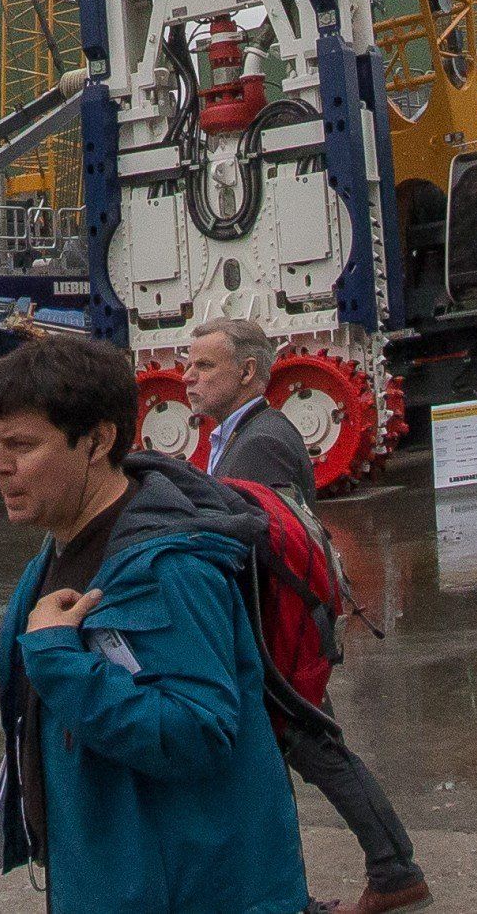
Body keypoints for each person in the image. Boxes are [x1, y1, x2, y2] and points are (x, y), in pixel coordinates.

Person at [0, 330, 310, 914]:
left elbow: (198, 731)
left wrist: (58, 660)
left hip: (190, 891)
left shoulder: (171, 569)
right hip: (112, 875)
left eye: (21, 445)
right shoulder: (57, 552)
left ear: (97, 441)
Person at [183, 318, 431, 914]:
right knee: (294, 753)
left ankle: (390, 874)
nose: (188, 378)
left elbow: (259, 542)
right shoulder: (238, 434)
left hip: (280, 630)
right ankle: (360, 877)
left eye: (204, 366)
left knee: (310, 747)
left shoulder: (261, 440)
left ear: (247, 372)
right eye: (189, 365)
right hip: (282, 627)